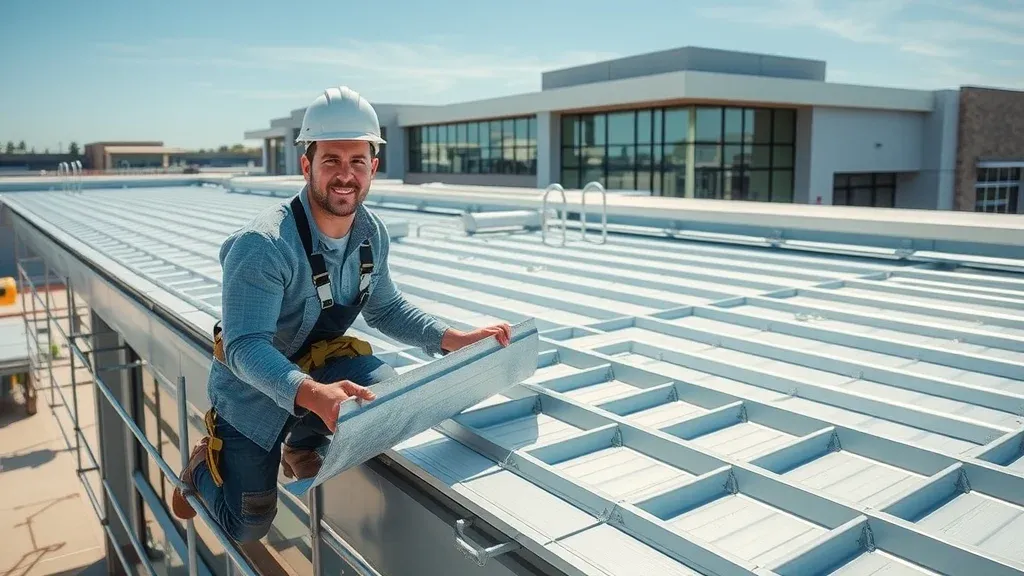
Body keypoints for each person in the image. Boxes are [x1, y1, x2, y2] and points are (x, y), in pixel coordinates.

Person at [170, 86, 511, 542]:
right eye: (331, 160)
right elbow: (244, 347)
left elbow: (387, 308)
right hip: (251, 392)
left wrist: (456, 339)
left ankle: (301, 444)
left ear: (373, 168)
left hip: (318, 371)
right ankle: (200, 471)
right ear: (306, 165)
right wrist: (315, 395)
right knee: (248, 524)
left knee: (383, 388)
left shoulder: (370, 234)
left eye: (357, 161)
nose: (345, 175)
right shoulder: (264, 245)